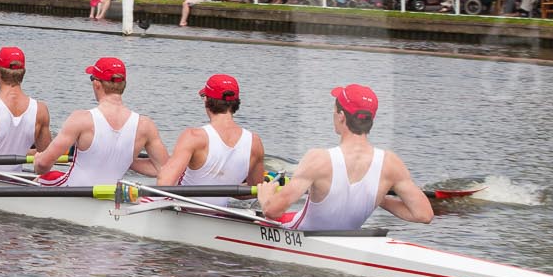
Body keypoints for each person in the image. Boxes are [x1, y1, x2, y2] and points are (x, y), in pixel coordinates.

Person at [263, 84, 433, 228]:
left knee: (265, 214)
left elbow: (273, 211)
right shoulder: (391, 163)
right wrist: (378, 198)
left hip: (300, 232)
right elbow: (423, 214)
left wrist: (266, 196)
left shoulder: (319, 159)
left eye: (334, 110)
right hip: (347, 239)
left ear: (341, 116)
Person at [32, 56, 169, 187]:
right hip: (111, 195)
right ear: (124, 84)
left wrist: (38, 160)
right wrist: (123, 159)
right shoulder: (145, 125)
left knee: (43, 176)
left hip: (73, 189)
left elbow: (43, 165)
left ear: (97, 84)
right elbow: (164, 169)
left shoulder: (81, 119)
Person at [155, 74, 265, 209]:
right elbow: (256, 191)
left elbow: (164, 184)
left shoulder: (194, 136)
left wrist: (163, 169)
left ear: (206, 100)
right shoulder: (254, 142)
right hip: (218, 214)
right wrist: (226, 186)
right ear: (235, 103)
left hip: (181, 211)